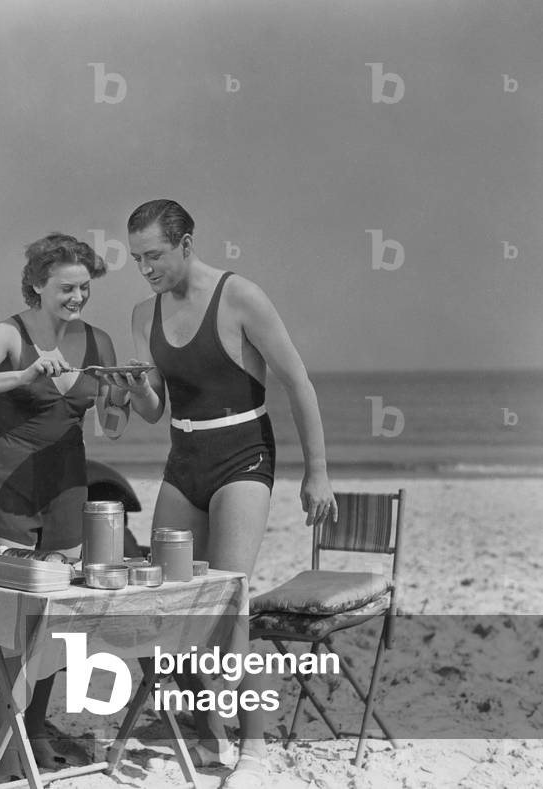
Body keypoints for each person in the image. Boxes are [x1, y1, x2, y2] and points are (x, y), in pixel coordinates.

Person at [108, 199, 337, 788]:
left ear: (186, 244)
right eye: (137, 258)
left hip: (243, 454)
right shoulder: (142, 314)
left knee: (230, 601)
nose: (146, 269)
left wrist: (317, 471)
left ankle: (254, 751)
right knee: (170, 602)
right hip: (183, 458)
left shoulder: (240, 297)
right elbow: (155, 409)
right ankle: (211, 731)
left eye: (155, 255)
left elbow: (298, 381)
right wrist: (133, 389)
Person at [0, 232, 128, 772]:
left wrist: (127, 391)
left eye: (84, 287)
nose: (78, 297)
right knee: (17, 616)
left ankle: (35, 727)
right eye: (67, 287)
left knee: (58, 615)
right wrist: (22, 375)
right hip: (9, 485)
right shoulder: (8, 334)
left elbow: (114, 424)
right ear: (38, 286)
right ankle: (10, 734)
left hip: (68, 485)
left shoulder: (99, 341)